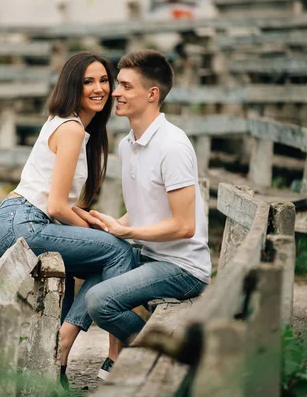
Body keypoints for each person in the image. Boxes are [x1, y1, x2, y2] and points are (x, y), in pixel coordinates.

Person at [0, 52, 135, 388]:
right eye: (88, 81)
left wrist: (91, 219)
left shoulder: (69, 125)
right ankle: (66, 341)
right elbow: (54, 206)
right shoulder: (70, 128)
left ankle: (56, 370)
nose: (99, 88)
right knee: (120, 252)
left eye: (104, 80)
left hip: (12, 219)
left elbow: (59, 200)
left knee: (100, 260)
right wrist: (101, 233)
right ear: (72, 86)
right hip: (25, 222)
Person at [85, 50, 211, 377]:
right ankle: (71, 350)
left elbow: (184, 226)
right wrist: (114, 224)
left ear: (152, 94)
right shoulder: (128, 144)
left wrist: (128, 233)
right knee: (86, 259)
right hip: (149, 255)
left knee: (100, 301)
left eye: (126, 86)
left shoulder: (173, 145)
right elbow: (145, 208)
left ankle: (158, 350)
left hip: (182, 268)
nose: (115, 92)